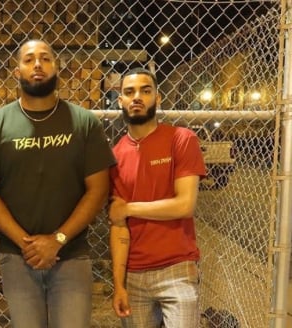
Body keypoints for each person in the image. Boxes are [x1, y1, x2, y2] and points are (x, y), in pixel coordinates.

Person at [0, 39, 116, 328]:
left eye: (46, 58)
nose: (38, 64)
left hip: (71, 254)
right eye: (29, 59)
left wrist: (57, 240)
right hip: (18, 257)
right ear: (17, 71)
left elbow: (98, 190)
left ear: (57, 68)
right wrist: (29, 245)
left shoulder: (84, 123)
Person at [108, 67, 206, 328]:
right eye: (129, 92)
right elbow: (119, 226)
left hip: (177, 269)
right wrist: (119, 285)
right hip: (135, 274)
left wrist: (129, 208)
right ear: (120, 101)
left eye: (145, 90)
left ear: (157, 98)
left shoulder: (181, 139)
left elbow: (185, 205)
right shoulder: (116, 156)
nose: (137, 97)